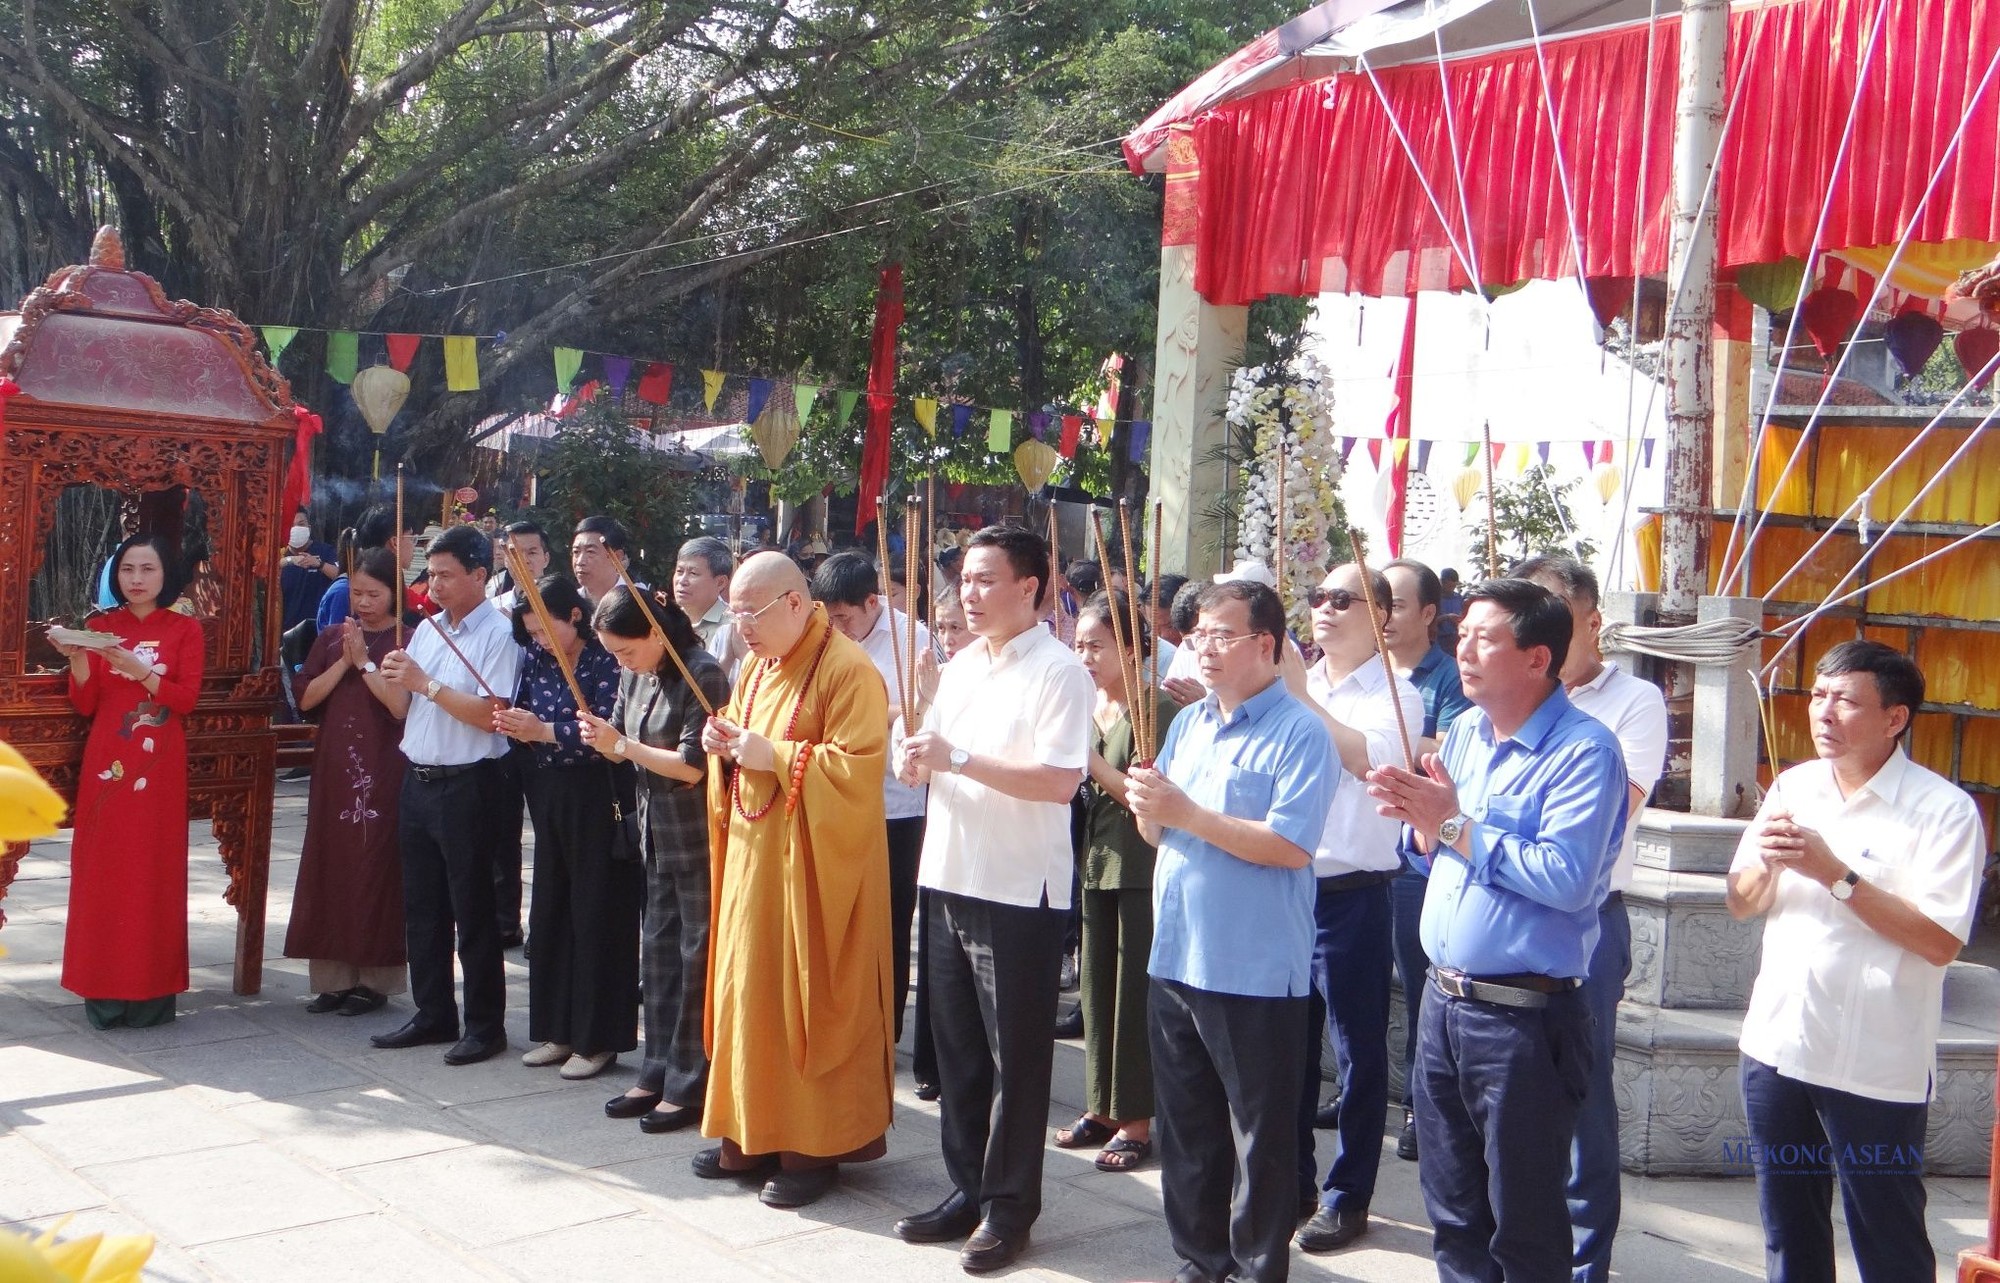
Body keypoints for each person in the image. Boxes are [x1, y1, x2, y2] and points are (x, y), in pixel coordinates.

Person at [1365, 578, 1627, 1283]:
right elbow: (1448, 846)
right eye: (1463, 635)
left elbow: (1566, 878)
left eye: (1485, 638)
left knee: (1526, 1225)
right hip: (1444, 1003)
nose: (1465, 651)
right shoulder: (1469, 734)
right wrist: (1420, 820)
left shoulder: (1584, 751)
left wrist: (1450, 824)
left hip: (1523, 1017)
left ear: (1538, 658)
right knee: (1453, 1215)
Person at [1727, 640, 1982, 1283]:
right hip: (1779, 1043)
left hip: (1876, 1059)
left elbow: (1939, 941)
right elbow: (1740, 902)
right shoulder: (1793, 786)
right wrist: (1769, 865)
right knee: (1789, 1232)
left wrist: (1835, 874)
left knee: (1887, 1232)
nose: (1824, 713)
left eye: (1845, 700)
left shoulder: (1944, 811)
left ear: (1895, 718)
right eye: (1818, 696)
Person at [894, 525, 1094, 1273]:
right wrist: (916, 755)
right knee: (957, 1051)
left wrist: (958, 758)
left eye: (984, 580)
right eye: (963, 581)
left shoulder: (1059, 670)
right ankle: (966, 1187)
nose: (967, 594)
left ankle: (1010, 1208)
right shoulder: (960, 664)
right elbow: (931, 753)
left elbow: (1057, 779)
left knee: (1018, 1057)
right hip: (947, 869)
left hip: (1017, 888)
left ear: (1030, 587)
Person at [1123, 579, 1333, 1283]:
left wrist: (1183, 812)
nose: (1201, 647)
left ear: (1265, 644)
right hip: (1177, 950)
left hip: (1252, 965)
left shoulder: (1301, 731)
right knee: (1186, 1127)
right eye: (1196, 635)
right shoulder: (1190, 723)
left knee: (1260, 1137)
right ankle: (1199, 1258)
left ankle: (1254, 1266)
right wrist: (1148, 805)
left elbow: (1289, 844)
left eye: (1219, 634)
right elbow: (1161, 833)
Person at [695, 553, 897, 1208]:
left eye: (751, 613)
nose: (741, 627)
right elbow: (743, 727)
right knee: (749, 991)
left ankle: (811, 1145)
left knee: (806, 999)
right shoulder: (756, 666)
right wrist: (723, 738)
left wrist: (774, 755)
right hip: (756, 861)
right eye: (735, 613)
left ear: (791, 603)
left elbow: (860, 769)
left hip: (816, 870)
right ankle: (751, 1131)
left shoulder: (848, 669)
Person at [1515, 553, 1668, 1283]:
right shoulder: (1499, 700)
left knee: (1582, 1083)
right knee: (1509, 1087)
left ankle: (1584, 1260)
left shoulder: (1631, 702)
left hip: (1588, 915)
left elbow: (1612, 808)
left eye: (1550, 610)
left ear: (1592, 620)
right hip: (1505, 910)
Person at [1284, 562, 1426, 1254]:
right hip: (1287, 884)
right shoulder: (1302, 679)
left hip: (1354, 893)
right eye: (1316, 597)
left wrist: (1294, 696)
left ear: (1382, 615)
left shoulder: (1397, 693)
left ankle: (1349, 1195)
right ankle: (1294, 1181)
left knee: (1358, 1053)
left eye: (1343, 599)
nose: (1324, 610)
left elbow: (1370, 759)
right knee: (1285, 1046)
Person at [374, 525, 523, 1066]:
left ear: (479, 575)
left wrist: (424, 685)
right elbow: (399, 709)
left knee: (474, 909)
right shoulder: (426, 630)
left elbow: (493, 715)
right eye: (430, 574)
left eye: (445, 574)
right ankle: (432, 1011)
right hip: (418, 777)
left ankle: (485, 1025)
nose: (433, 584)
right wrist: (392, 677)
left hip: (472, 783)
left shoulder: (500, 633)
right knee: (423, 908)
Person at [582, 588, 729, 1131]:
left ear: (655, 632)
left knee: (696, 959)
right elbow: (619, 731)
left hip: (696, 833)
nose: (622, 663)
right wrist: (602, 738)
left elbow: (694, 765)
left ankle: (691, 1082)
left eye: (626, 651)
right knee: (658, 958)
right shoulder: (635, 674)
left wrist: (621, 747)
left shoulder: (701, 672)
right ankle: (656, 1070)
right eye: (614, 655)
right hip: (652, 832)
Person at [54, 534, 205, 1029]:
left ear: (167, 575)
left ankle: (151, 996)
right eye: (127, 570)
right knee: (105, 870)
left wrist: (141, 671)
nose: (136, 579)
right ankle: (102, 993)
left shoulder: (185, 630)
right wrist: (76, 653)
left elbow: (183, 701)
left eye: (147, 569)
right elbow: (86, 702)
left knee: (153, 869)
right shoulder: (101, 626)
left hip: (159, 762)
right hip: (107, 760)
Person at [493, 575, 635, 1081]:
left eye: (546, 631)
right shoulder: (536, 656)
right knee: (551, 909)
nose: (539, 642)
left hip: (597, 794)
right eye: (532, 634)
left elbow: (604, 729)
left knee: (595, 913)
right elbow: (523, 705)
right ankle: (558, 1029)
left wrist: (546, 730)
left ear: (573, 616)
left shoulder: (604, 656)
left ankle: (597, 1038)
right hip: (547, 789)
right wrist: (514, 725)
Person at [1054, 591, 1174, 1175]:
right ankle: (1100, 1105)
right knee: (1095, 988)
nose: (1086, 658)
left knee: (1132, 991)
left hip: (1140, 865)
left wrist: (1088, 761)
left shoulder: (1158, 709)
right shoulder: (1085, 709)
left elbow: (1144, 795)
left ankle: (1137, 1120)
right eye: (1079, 645)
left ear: (1134, 646)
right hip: (1093, 861)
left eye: (1097, 646)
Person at [811, 553, 930, 1083]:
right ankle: (848, 1023)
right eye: (829, 617)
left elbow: (914, 708)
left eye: (846, 618)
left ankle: (886, 1030)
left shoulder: (912, 640)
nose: (837, 628)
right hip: (832, 793)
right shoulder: (818, 635)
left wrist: (858, 715)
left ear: (873, 603)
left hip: (894, 803)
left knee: (889, 918)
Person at [285, 547, 412, 1017]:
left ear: (394, 594)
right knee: (330, 862)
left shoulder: (408, 638)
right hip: (335, 768)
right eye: (356, 593)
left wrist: (365, 663)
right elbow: (306, 699)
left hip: (384, 768)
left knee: (376, 865)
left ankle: (374, 981)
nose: (363, 602)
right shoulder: (332, 636)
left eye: (374, 594)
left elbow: (399, 706)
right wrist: (344, 659)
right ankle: (333, 980)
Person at [1382, 555, 1474, 1162]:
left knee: (1421, 991)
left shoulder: (1447, 679)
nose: (1382, 617)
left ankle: (1421, 1106)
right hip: (1362, 855)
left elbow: (1436, 755)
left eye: (1394, 604)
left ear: (1429, 613)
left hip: (1419, 860)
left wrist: (1379, 738)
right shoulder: (1361, 671)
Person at [488, 519, 552, 949]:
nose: (523, 560)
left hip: (549, 735)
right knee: (502, 834)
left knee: (548, 836)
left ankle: (545, 925)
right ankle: (505, 922)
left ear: (546, 557)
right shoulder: (493, 607)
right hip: (503, 733)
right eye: (513, 552)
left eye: (531, 552)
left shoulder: (561, 602)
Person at [317, 504, 421, 631]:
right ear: (395, 542)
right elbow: (336, 643)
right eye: (412, 539)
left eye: (373, 595)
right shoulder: (344, 591)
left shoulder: (395, 583)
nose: (364, 602)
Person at [674, 535, 744, 671]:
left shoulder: (733, 627)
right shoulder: (667, 620)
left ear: (720, 582)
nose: (682, 581)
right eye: (679, 571)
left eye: (693, 573)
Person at [279, 507, 340, 633]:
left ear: (309, 528)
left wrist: (319, 564)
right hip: (285, 631)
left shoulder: (325, 551)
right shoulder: (280, 554)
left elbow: (341, 576)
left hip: (318, 630)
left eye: (301, 524)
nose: (295, 529)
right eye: (291, 525)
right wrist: (290, 560)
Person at [488, 520, 552, 613]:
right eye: (516, 553)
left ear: (546, 559)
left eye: (532, 553)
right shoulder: (494, 609)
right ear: (505, 560)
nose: (524, 560)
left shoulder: (561, 606)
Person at [571, 515, 635, 606]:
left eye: (590, 552)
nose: (580, 562)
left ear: (617, 557)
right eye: (576, 552)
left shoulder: (639, 603)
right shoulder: (567, 605)